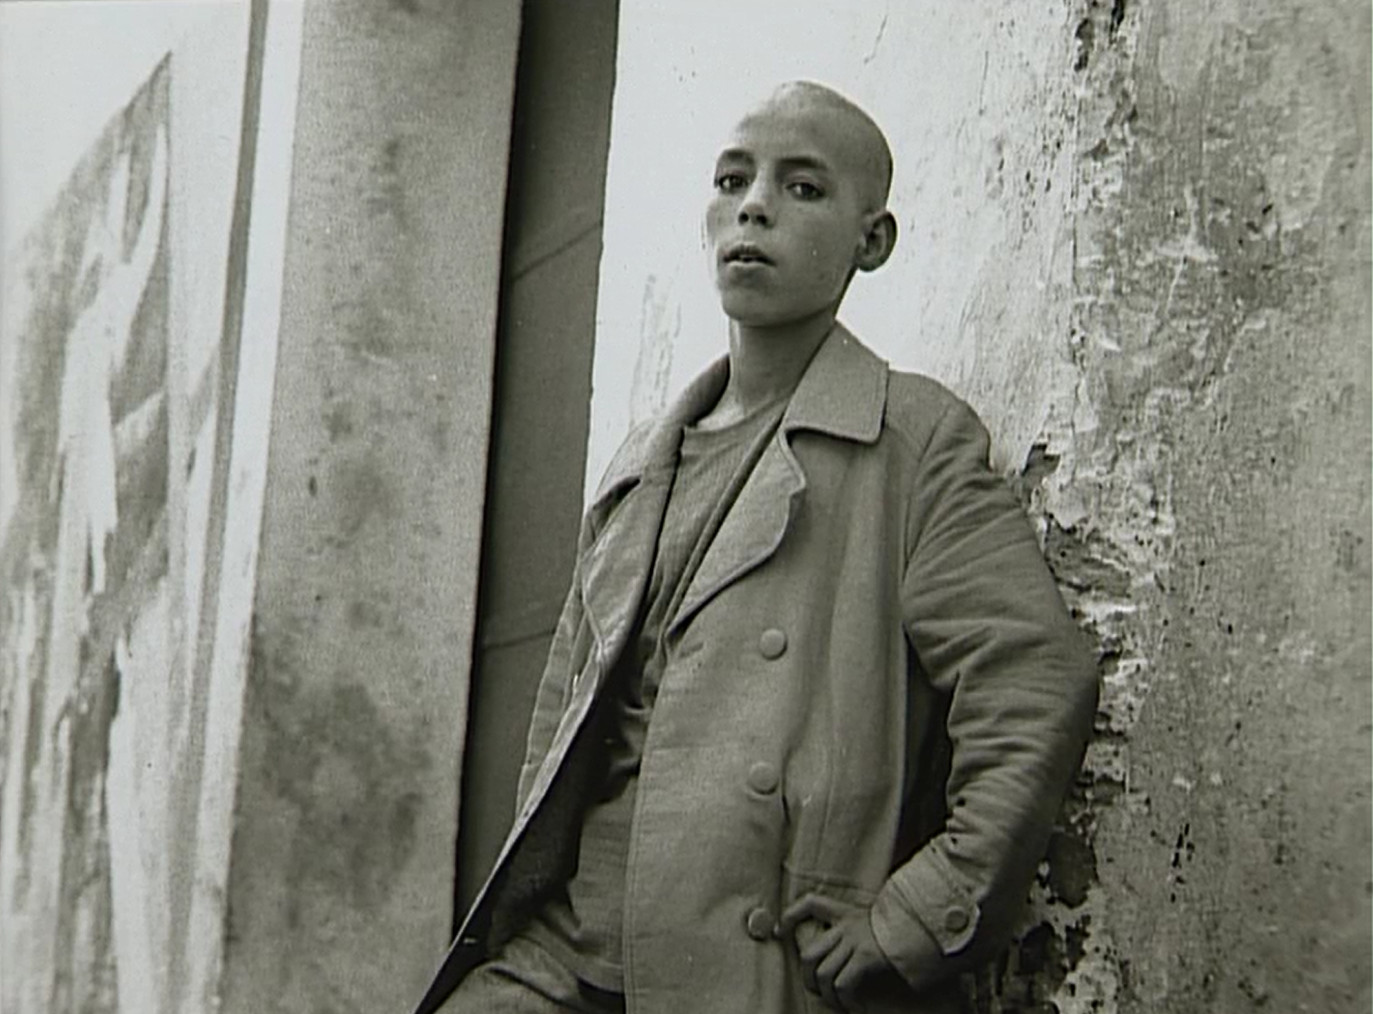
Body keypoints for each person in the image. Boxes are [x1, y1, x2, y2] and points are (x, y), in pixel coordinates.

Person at [414, 80, 1098, 1014]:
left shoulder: (908, 442)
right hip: (563, 958)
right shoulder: (640, 464)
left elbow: (1033, 679)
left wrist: (915, 916)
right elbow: (559, 741)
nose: (754, 207)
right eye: (731, 180)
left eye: (802, 188)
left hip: (746, 970)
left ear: (871, 241)